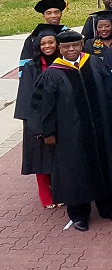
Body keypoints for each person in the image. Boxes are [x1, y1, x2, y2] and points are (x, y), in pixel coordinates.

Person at [29, 29, 112, 231]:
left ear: (81, 45)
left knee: (105, 164)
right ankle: (79, 214)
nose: (71, 49)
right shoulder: (53, 73)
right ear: (60, 49)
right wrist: (48, 132)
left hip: (100, 129)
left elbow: (110, 92)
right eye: (66, 46)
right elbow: (44, 107)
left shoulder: (95, 63)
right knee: (75, 171)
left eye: (75, 45)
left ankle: (108, 208)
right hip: (70, 133)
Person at [14, 25, 59, 208]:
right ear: (38, 46)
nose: (47, 46)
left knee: (58, 160)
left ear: (57, 44)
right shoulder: (31, 67)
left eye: (51, 42)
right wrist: (39, 128)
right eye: (43, 43)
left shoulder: (62, 63)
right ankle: (46, 196)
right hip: (37, 122)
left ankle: (58, 192)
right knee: (41, 160)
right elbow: (27, 98)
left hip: (60, 119)